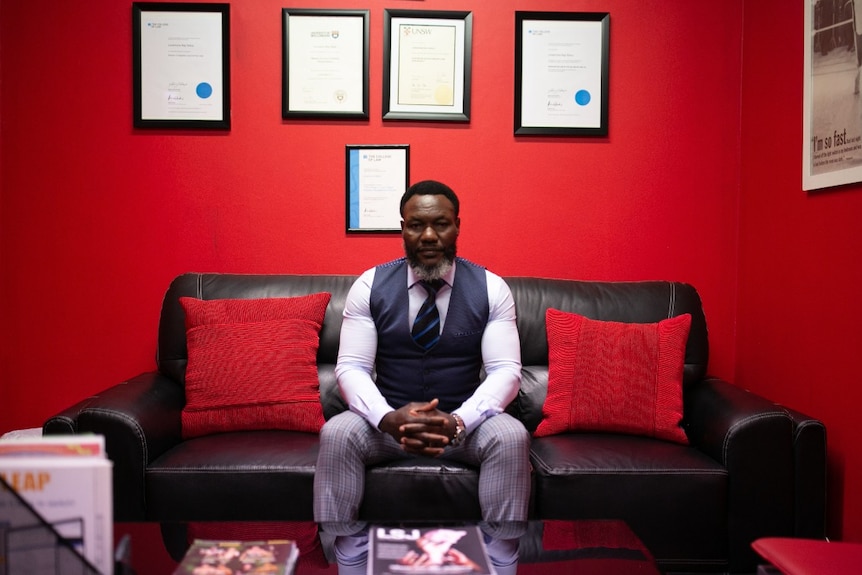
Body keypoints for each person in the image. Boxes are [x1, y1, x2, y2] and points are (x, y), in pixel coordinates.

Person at [314, 180, 531, 575]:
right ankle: (348, 558)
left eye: (440, 224)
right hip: (386, 424)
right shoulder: (369, 285)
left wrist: (460, 421)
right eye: (416, 225)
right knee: (338, 433)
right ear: (403, 229)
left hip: (466, 426)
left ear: (457, 226)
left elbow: (505, 371)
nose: (428, 235)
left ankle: (500, 561)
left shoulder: (491, 287)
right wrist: (386, 418)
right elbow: (350, 367)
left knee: (512, 435)